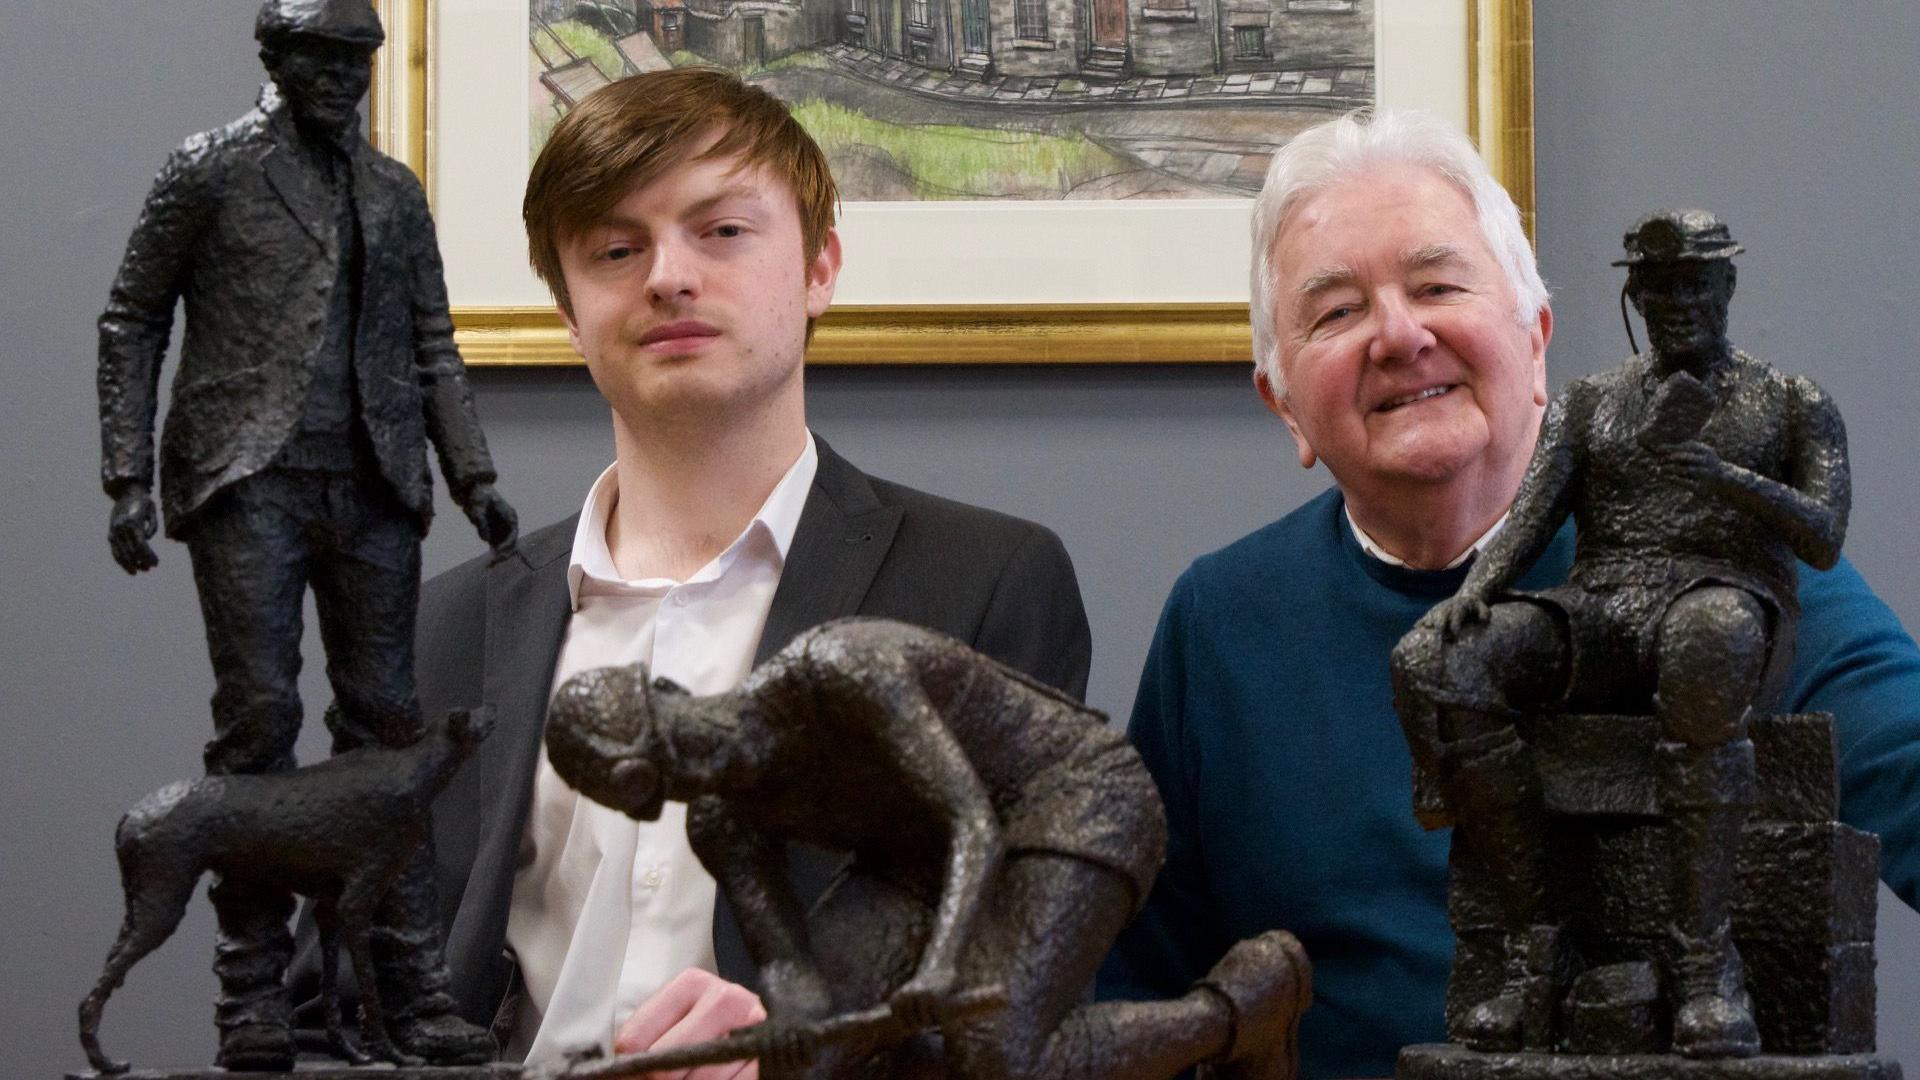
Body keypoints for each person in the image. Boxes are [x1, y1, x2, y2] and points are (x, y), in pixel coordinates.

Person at [287, 68, 1092, 1072]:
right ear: (570, 314)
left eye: (722, 232)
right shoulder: (431, 635)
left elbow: (1022, 989)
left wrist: (790, 1061)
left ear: (819, 270)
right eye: (617, 249)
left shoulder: (984, 586)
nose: (669, 275)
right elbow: (322, 1024)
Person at [1097, 109, 1920, 1079]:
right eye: (1335, 312)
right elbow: (1132, 991)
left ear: (1535, 341)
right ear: (1286, 407)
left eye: (1438, 284)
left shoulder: (1736, 563)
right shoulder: (1221, 623)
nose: (1400, 335)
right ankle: (1532, 948)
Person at [97, 0, 515, 1069]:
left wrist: (473, 475)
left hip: (376, 479)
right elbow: (133, 317)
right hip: (249, 480)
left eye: (358, 59)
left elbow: (435, 347)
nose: (343, 78)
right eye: (323, 57)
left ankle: (411, 988)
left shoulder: (393, 193)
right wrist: (127, 477)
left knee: (391, 729)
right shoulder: (208, 169)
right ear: (275, 57)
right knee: (258, 727)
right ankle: (255, 997)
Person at [1391, 209, 1849, 1058]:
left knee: (1706, 636)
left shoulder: (1790, 402)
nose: (1678, 303)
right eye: (1660, 287)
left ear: (1727, 286)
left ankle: (1705, 964)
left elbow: (1823, 537)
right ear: (1633, 293)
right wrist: (1479, 589)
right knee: (1438, 658)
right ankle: (1537, 947)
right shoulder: (1593, 403)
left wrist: (1732, 480)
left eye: (1695, 284)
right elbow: (1531, 516)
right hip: (1604, 605)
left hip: (1725, 597)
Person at [543, 617, 1309, 1080]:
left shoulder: (838, 672)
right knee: (814, 1065)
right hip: (918, 858)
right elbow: (792, 971)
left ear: (672, 693)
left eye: (675, 743)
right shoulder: (721, 822)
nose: (693, 772)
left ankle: (1246, 1005)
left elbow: (969, 816)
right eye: (658, 785)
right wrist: (789, 1021)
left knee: (998, 1053)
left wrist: (939, 965)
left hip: (1066, 796)